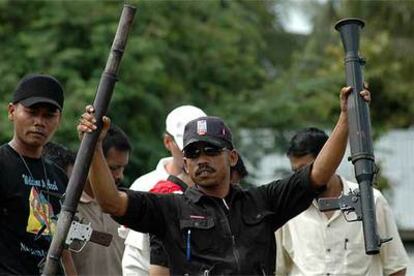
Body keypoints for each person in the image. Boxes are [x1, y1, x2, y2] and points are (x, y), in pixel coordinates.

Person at [78, 86, 369, 274]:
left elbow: (317, 174)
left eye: (211, 150)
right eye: (193, 153)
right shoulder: (169, 209)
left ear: (231, 157)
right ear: (186, 163)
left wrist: (346, 117)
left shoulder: (261, 202)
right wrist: (93, 148)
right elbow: (110, 201)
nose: (202, 159)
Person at [275, 127, 409, 276]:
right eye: (296, 172)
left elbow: (396, 266)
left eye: (308, 170)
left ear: (330, 161)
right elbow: (277, 269)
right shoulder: (288, 208)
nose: (303, 178)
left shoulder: (370, 200)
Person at [0, 74, 73, 275]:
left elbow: (64, 249)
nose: (39, 122)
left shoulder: (59, 177)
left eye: (49, 115)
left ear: (59, 119)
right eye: (32, 112)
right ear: (12, 111)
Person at [121, 105, 206, 276]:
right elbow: (135, 257)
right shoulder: (144, 187)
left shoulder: (215, 187)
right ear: (168, 141)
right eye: (186, 147)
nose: (192, 154)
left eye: (202, 147)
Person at [71, 123, 131, 276]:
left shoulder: (122, 207)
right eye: (113, 168)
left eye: (122, 168)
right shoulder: (67, 208)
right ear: (94, 159)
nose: (120, 176)